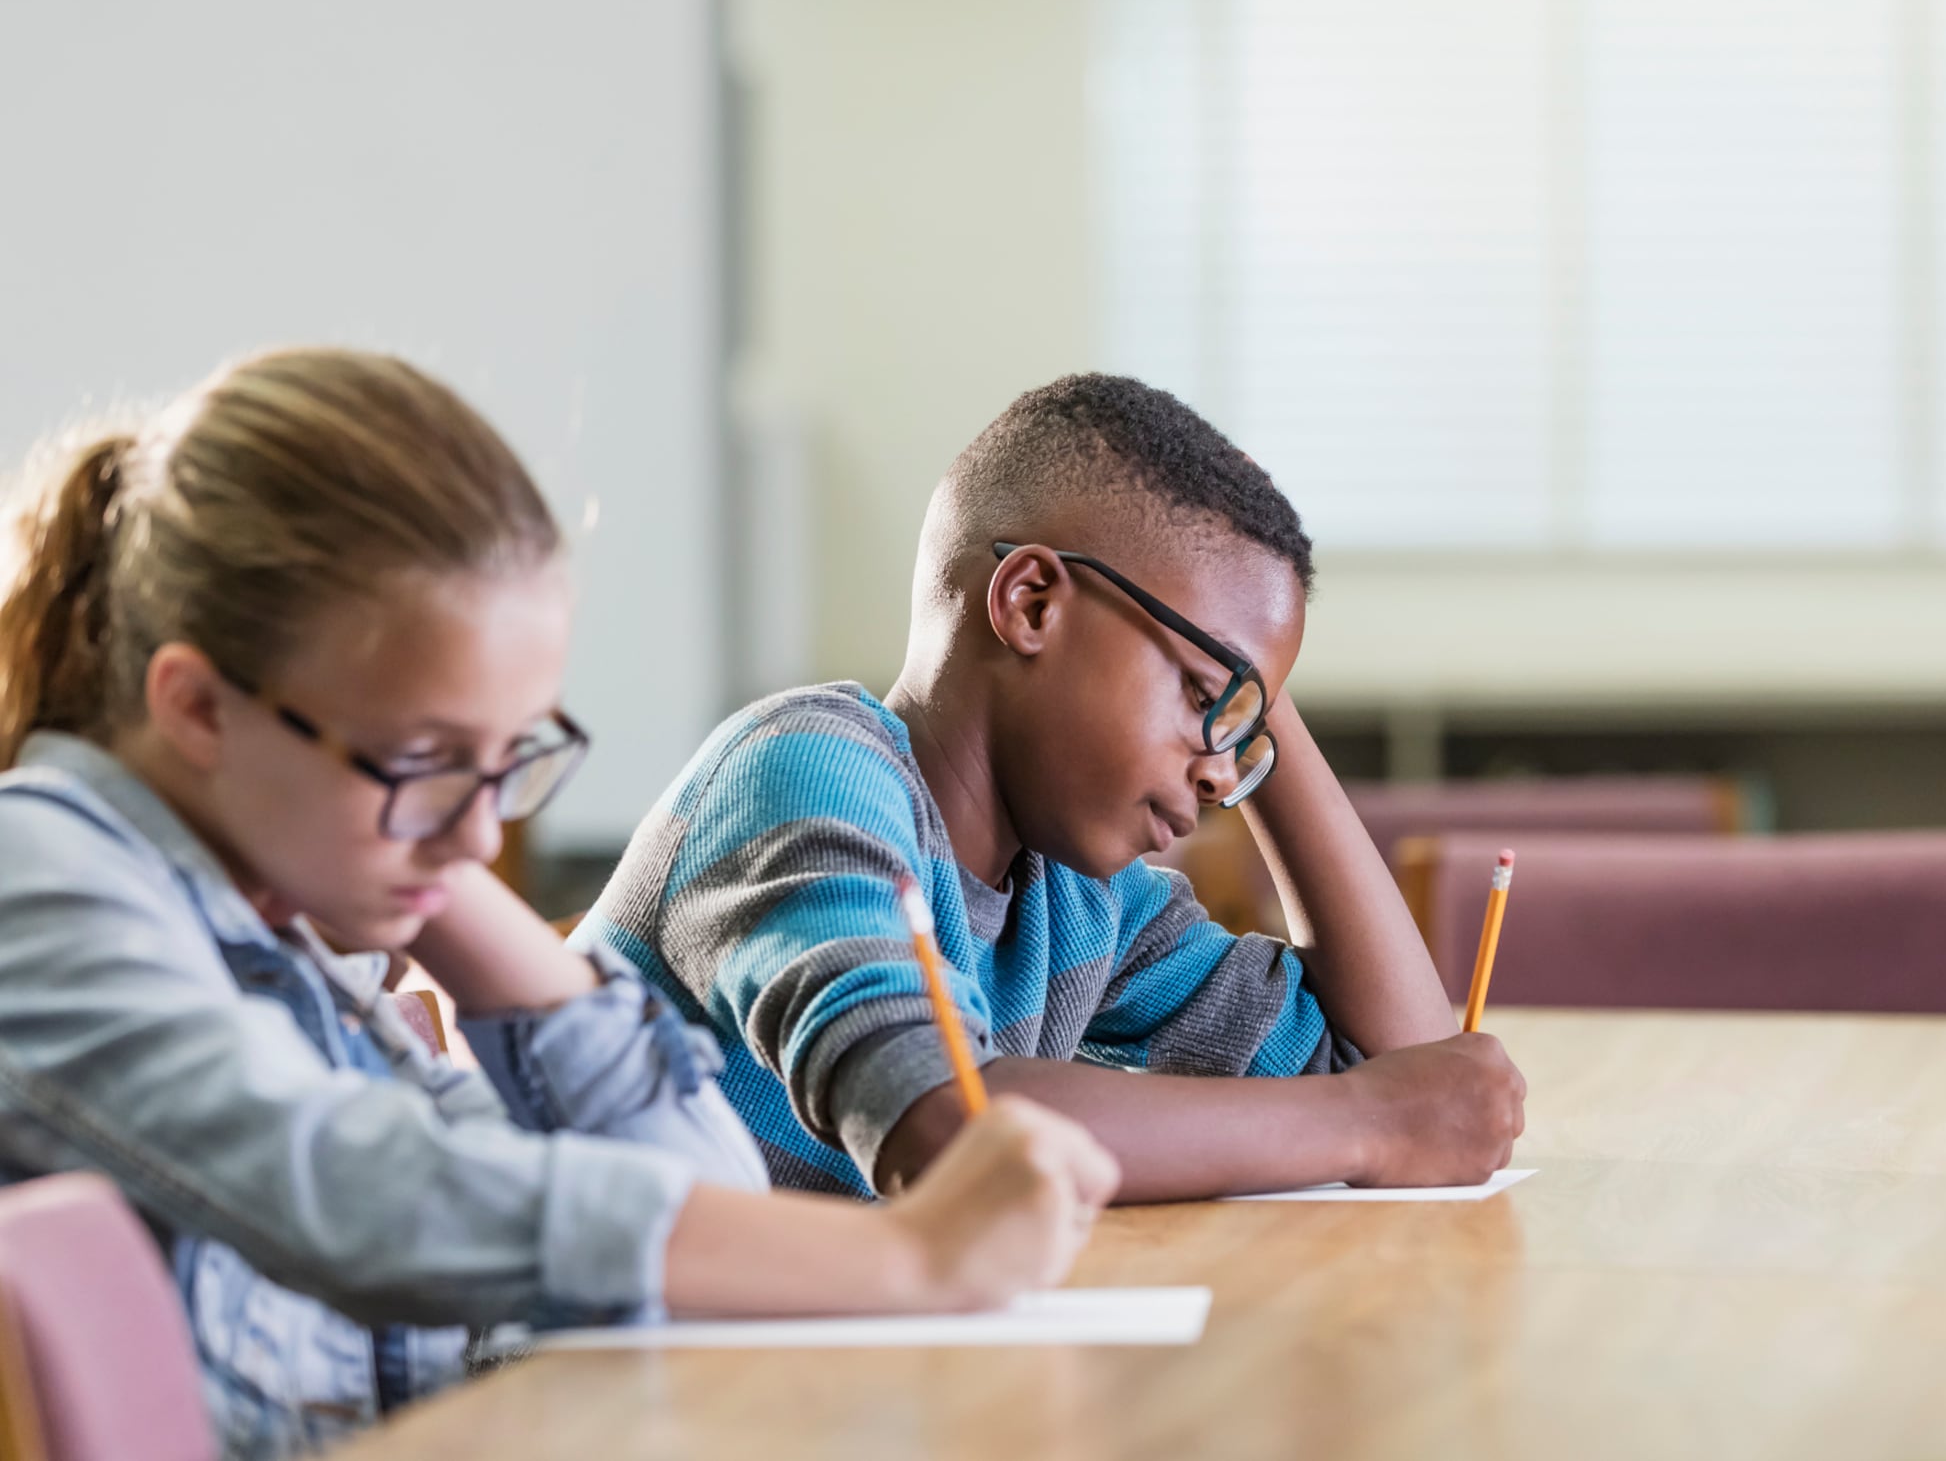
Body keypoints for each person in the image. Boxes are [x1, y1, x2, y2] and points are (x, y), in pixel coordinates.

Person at [0, 348, 1117, 1459]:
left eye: (507, 761)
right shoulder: (41, 875)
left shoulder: (293, 930)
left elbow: (693, 1180)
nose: (484, 835)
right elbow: (355, 1190)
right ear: (197, 708)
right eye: (423, 759)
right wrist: (910, 1260)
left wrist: (453, 902)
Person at [583, 373, 1526, 1202]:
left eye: (1249, 722)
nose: (1225, 769)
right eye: (1206, 696)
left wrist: (1253, 679)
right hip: (582, 1397)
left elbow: (1396, 1070)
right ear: (1031, 604)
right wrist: (1365, 1120)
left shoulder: (1077, 898)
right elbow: (948, 1125)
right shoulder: (802, 774)